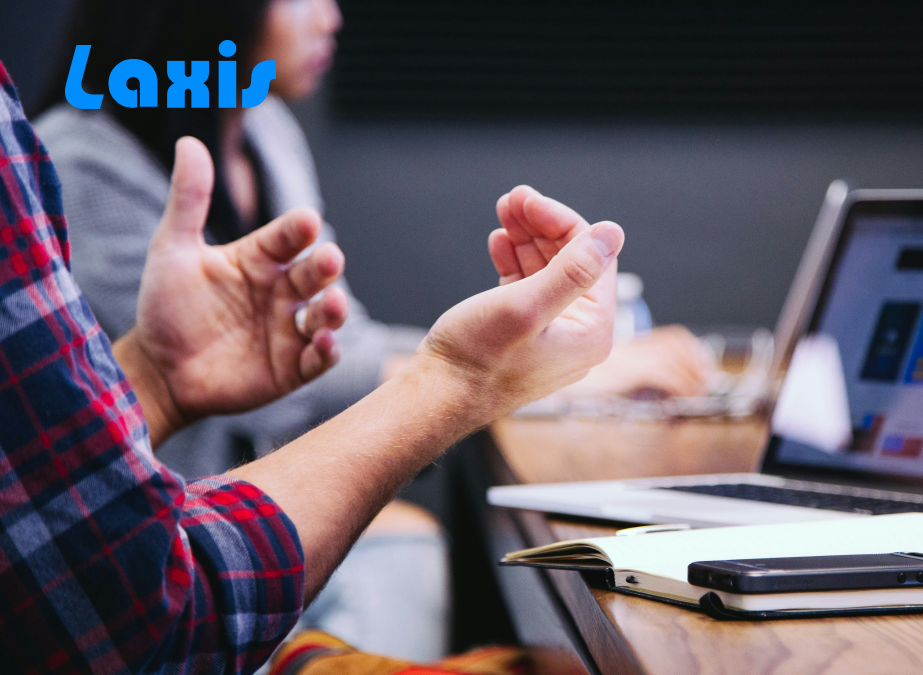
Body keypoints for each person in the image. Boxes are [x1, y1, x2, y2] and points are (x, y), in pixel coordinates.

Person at [0, 56, 626, 674]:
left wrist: (155, 381)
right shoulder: (78, 156)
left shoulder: (266, 127)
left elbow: (35, 476)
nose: (332, 15)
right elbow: (136, 618)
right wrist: (461, 380)